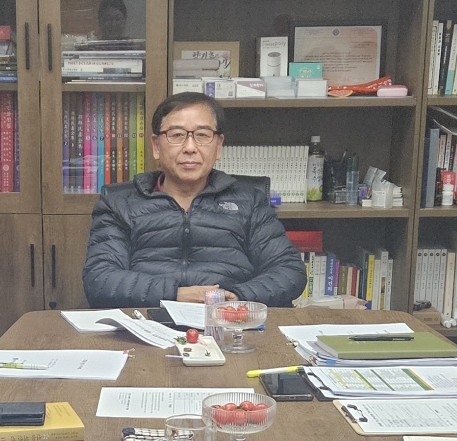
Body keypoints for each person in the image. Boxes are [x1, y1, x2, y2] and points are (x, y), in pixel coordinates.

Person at [82, 92, 307, 308]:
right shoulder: (120, 203)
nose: (190, 148)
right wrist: (175, 295)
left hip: (230, 320)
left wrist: (236, 298)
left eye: (202, 135)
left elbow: (289, 271)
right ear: (156, 146)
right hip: (150, 320)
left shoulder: (250, 201)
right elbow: (100, 279)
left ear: (218, 146)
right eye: (177, 135)